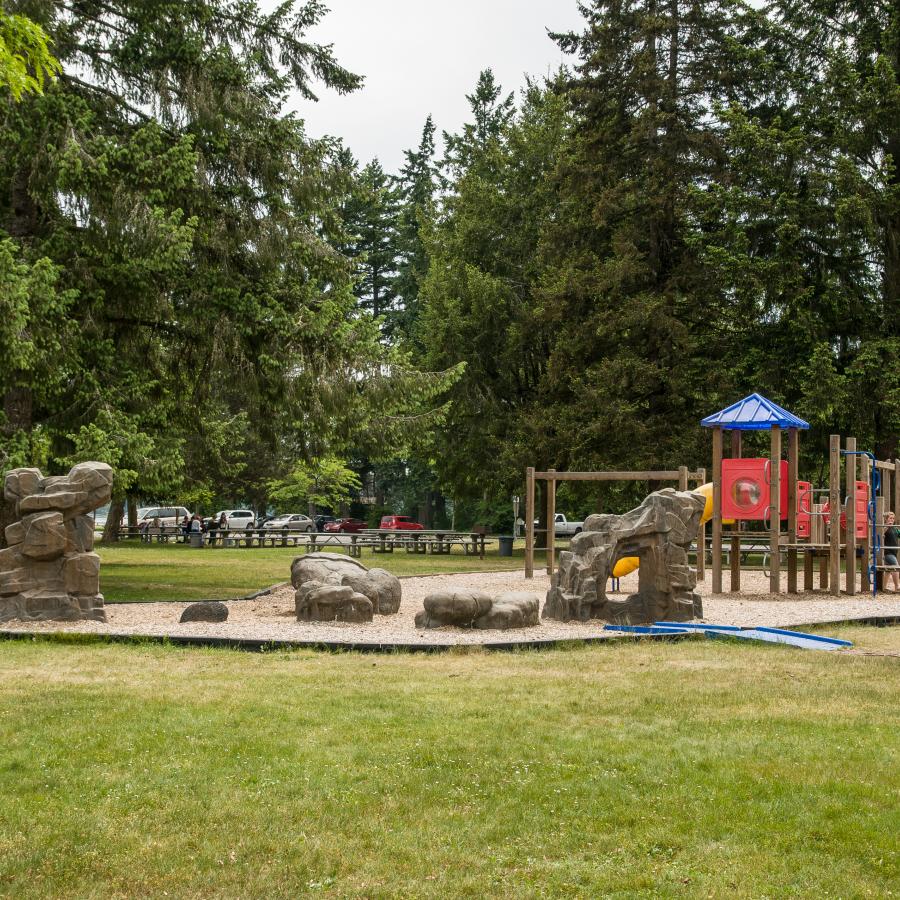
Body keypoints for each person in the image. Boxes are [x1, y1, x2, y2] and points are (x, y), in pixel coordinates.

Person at [884, 511, 899, 591]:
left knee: (888, 570)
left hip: (894, 552)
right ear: (886, 519)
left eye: (893, 518)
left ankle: (884, 587)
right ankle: (897, 586)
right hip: (887, 552)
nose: (892, 520)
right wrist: (887, 526)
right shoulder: (884, 527)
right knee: (896, 567)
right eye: (890, 518)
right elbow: (881, 534)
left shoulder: (895, 528)